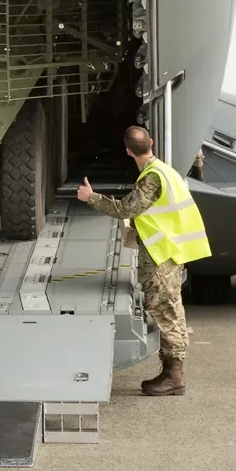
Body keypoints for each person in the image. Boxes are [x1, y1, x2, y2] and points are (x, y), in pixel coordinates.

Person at [76, 125, 211, 396]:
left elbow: (127, 208)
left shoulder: (151, 178)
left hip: (161, 256)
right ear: (150, 142)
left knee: (166, 312)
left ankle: (174, 377)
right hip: (171, 251)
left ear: (128, 151)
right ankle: (172, 372)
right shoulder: (165, 170)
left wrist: (92, 198)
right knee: (172, 310)